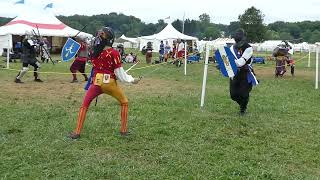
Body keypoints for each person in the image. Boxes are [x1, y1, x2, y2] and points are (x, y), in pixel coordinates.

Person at [68, 27, 140, 139]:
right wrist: (132, 80)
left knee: (84, 105)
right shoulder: (114, 53)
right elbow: (119, 73)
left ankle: (77, 132)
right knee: (124, 102)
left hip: (96, 82)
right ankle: (123, 130)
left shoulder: (93, 53)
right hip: (109, 83)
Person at [229, 29, 258, 115]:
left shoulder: (248, 48)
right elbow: (227, 59)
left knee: (244, 94)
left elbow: (241, 62)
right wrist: (223, 65)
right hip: (234, 73)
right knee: (233, 95)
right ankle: (242, 105)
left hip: (245, 73)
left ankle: (243, 109)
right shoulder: (231, 48)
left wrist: (228, 63)